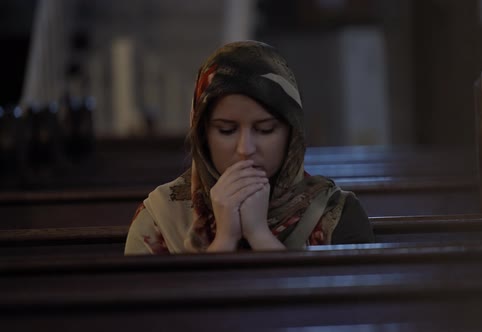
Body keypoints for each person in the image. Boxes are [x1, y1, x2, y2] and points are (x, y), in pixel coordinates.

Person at [125, 41, 374, 254]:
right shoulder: (160, 218)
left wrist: (259, 235)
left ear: (291, 134)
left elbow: (347, 310)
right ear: (203, 135)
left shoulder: (336, 214)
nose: (245, 149)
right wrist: (224, 241)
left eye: (265, 130)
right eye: (226, 130)